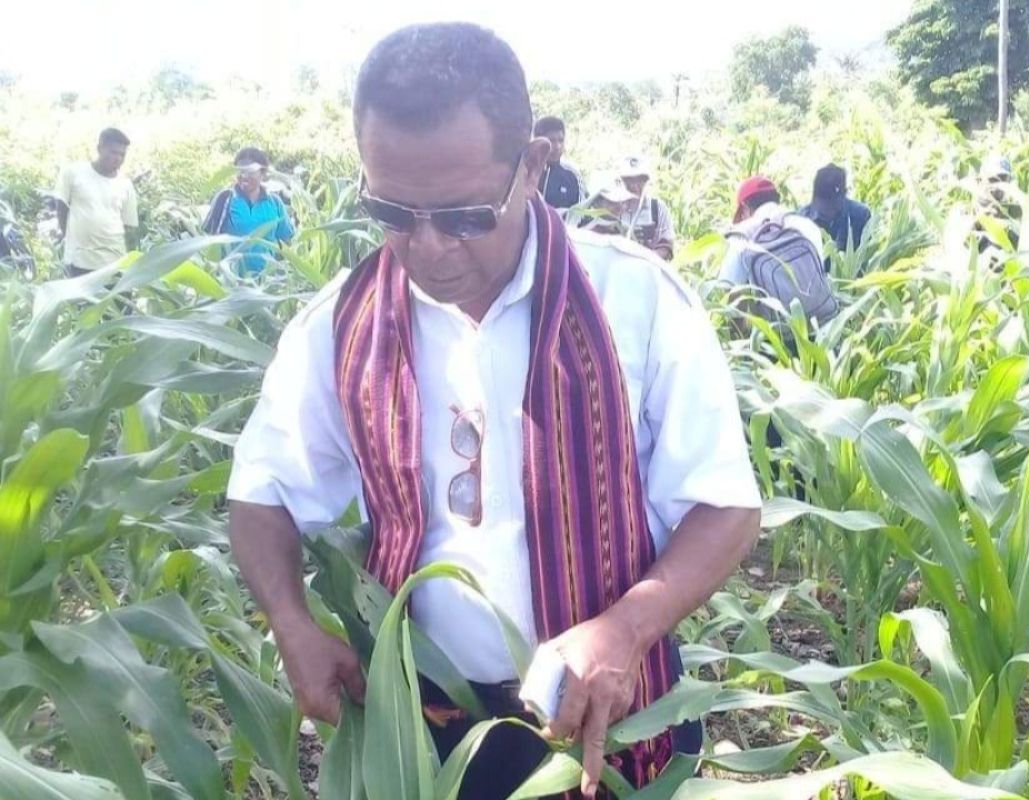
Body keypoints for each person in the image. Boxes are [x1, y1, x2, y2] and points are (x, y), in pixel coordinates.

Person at [226, 22, 760, 800]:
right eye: (394, 213)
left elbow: (725, 506)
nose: (429, 247)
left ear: (534, 166)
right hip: (424, 719)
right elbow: (262, 491)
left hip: (610, 708)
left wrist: (626, 628)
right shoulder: (337, 327)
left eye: (464, 216)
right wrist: (294, 626)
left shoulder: (635, 303)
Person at [719, 176, 837, 329]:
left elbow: (731, 294)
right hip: (822, 325)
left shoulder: (740, 238)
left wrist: (739, 336)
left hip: (776, 337)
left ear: (745, 208)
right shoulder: (806, 225)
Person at [53, 128, 139, 277]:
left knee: (118, 300)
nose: (118, 158)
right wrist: (70, 238)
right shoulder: (73, 173)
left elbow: (129, 227)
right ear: (99, 149)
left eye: (122, 154)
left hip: (115, 263)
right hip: (79, 262)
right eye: (113, 152)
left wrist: (130, 265)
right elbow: (61, 207)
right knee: (80, 301)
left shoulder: (125, 185)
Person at [202, 147, 295, 277]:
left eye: (250, 171)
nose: (244, 176)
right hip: (231, 282)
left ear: (262, 173)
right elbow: (210, 243)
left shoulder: (275, 203)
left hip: (268, 283)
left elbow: (286, 243)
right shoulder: (225, 198)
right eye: (240, 171)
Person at [801, 163, 871, 257]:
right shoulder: (802, 220)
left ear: (844, 195)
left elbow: (868, 258)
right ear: (814, 198)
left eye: (831, 204)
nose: (826, 210)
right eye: (823, 203)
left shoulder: (861, 216)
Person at [616, 156, 675, 261]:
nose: (634, 186)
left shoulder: (657, 208)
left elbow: (666, 247)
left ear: (646, 180)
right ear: (621, 181)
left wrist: (644, 260)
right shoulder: (612, 206)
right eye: (629, 180)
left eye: (639, 180)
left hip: (650, 270)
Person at [534, 116, 586, 210]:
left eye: (561, 140)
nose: (557, 146)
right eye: (552, 140)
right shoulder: (525, 171)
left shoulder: (571, 176)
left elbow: (580, 214)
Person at [974, 155, 1022, 254]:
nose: (998, 187)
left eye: (1003, 180)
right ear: (979, 181)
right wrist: (978, 223)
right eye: (993, 180)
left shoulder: (1013, 214)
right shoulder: (965, 213)